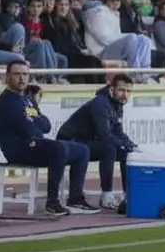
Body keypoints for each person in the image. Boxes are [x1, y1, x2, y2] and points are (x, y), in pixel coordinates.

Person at [0, 62, 100, 216]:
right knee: (58, 148)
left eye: (25, 74)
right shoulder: (7, 101)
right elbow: (27, 130)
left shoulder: (27, 100)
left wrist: (34, 121)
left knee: (82, 150)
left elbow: (46, 126)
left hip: (35, 143)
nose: (22, 78)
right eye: (17, 74)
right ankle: (52, 202)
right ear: (8, 77)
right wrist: (35, 121)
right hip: (18, 148)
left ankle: (76, 199)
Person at [58, 74, 138, 211]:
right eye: (121, 90)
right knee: (109, 149)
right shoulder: (100, 104)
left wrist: (132, 146)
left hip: (86, 140)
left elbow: (118, 132)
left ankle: (129, 197)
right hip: (69, 140)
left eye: (128, 91)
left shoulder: (117, 104)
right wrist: (124, 144)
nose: (125, 95)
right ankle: (106, 195)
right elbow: (104, 134)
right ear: (112, 89)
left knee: (127, 152)